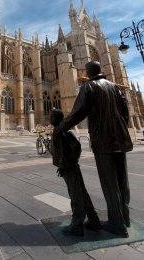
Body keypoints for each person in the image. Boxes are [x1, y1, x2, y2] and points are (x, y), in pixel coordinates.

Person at [59, 61, 133, 238]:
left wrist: (61, 127)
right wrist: (120, 128)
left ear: (88, 73)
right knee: (123, 180)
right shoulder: (115, 87)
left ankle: (117, 224)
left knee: (109, 183)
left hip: (103, 140)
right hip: (120, 139)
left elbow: (78, 112)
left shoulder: (89, 86)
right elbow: (125, 112)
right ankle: (125, 217)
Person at [50, 108, 101, 237]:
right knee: (82, 193)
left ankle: (77, 226)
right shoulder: (66, 131)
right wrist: (70, 162)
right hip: (72, 166)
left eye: (51, 116)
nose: (49, 118)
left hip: (68, 167)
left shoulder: (58, 132)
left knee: (75, 195)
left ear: (55, 119)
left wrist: (64, 165)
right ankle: (94, 220)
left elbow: (65, 150)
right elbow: (76, 147)